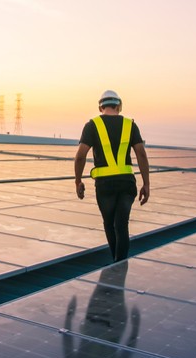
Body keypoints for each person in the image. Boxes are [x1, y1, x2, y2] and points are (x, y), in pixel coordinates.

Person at [74, 90, 150, 262]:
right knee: (122, 226)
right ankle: (120, 263)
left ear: (101, 106)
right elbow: (142, 155)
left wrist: (78, 181)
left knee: (109, 224)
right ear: (118, 106)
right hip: (126, 183)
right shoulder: (130, 125)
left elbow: (80, 155)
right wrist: (146, 184)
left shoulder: (92, 125)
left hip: (105, 185)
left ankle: (116, 263)